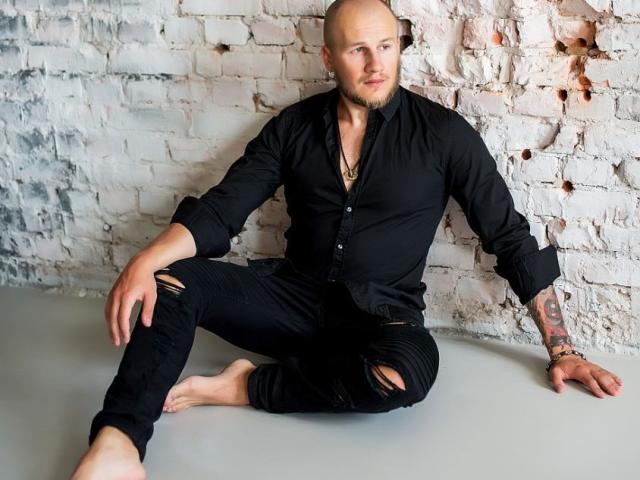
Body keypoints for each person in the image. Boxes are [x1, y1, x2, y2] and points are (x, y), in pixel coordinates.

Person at [70, 0, 624, 478]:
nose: (376, 63)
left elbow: (509, 237)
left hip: (381, 321)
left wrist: (563, 349)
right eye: (359, 50)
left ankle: (246, 386)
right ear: (328, 58)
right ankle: (118, 439)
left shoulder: (444, 135)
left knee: (400, 380)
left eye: (386, 45)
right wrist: (146, 259)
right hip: (289, 303)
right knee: (171, 280)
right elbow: (223, 208)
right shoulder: (293, 127)